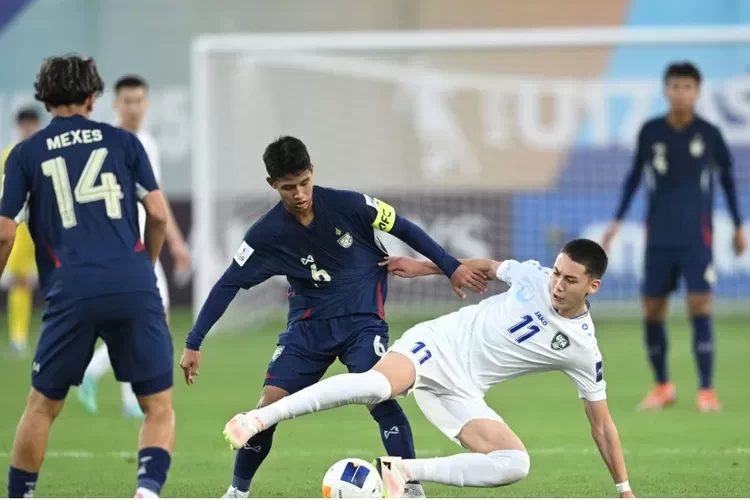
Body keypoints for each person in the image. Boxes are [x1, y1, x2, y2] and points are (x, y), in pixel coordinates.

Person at [180, 136, 487, 498]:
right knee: (268, 406)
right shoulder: (266, 234)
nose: (299, 194)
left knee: (380, 395)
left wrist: (451, 267)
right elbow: (229, 282)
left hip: (362, 324)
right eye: (288, 187)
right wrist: (194, 342)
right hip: (307, 330)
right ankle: (237, 492)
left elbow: (403, 227)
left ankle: (409, 487)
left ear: (312, 171)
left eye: (304, 182)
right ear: (272, 184)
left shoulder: (351, 205)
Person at [222, 239, 635, 498]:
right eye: (557, 273)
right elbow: (485, 267)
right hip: (436, 345)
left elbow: (601, 425)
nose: (557, 285)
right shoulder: (532, 275)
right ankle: (258, 418)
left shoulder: (583, 348)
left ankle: (401, 471)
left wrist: (624, 490)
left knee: (515, 463)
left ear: (593, 286)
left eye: (569, 280)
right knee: (376, 387)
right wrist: (424, 266)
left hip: (461, 391)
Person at [0, 55, 174, 499]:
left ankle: (20, 496)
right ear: (94, 97)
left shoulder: (26, 154)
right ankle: (146, 492)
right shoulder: (124, 142)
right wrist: (146, 268)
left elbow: (4, 233)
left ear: (44, 99)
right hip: (133, 283)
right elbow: (157, 213)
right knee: (158, 406)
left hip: (72, 288)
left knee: (41, 407)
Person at [601, 62, 744, 412]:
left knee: (700, 304)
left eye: (687, 87)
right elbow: (634, 177)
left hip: (697, 237)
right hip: (659, 237)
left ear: (698, 91)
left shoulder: (709, 133)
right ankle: (663, 386)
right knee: (652, 309)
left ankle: (706, 390)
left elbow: (727, 180)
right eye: (675, 86)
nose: (681, 93)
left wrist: (739, 225)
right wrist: (617, 220)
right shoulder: (650, 131)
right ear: (666, 91)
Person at [78, 75, 191, 418]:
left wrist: (176, 242)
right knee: (149, 320)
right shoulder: (106, 144)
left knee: (143, 321)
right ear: (116, 104)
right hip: (124, 246)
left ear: (147, 103)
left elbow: (156, 198)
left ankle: (122, 393)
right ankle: (100, 375)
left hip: (145, 245)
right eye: (127, 101)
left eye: (138, 100)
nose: (133, 107)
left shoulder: (147, 143)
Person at [0, 107, 42, 356]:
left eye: (31, 123)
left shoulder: (46, 152)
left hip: (45, 225)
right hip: (19, 226)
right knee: (19, 280)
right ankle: (18, 336)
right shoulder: (8, 155)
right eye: (24, 124)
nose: (28, 128)